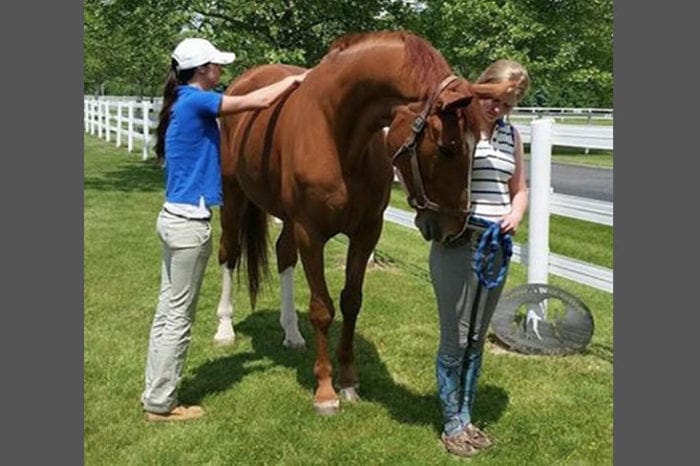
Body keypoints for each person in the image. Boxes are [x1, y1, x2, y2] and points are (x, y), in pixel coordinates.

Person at [141, 37, 307, 422]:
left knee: (166, 313)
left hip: (172, 219)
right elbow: (259, 101)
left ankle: (154, 390)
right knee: (179, 318)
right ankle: (163, 404)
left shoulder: (180, 102)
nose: (222, 72)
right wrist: (299, 80)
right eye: (217, 66)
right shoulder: (197, 100)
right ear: (202, 71)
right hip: (189, 228)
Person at [430, 59, 530, 456]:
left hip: (496, 245)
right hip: (459, 241)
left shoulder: (512, 135)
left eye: (509, 104)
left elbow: (519, 188)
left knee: (475, 337)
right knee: (454, 336)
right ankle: (451, 421)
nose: (499, 110)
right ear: (483, 88)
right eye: (495, 99)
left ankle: (466, 416)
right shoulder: (458, 129)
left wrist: (516, 212)